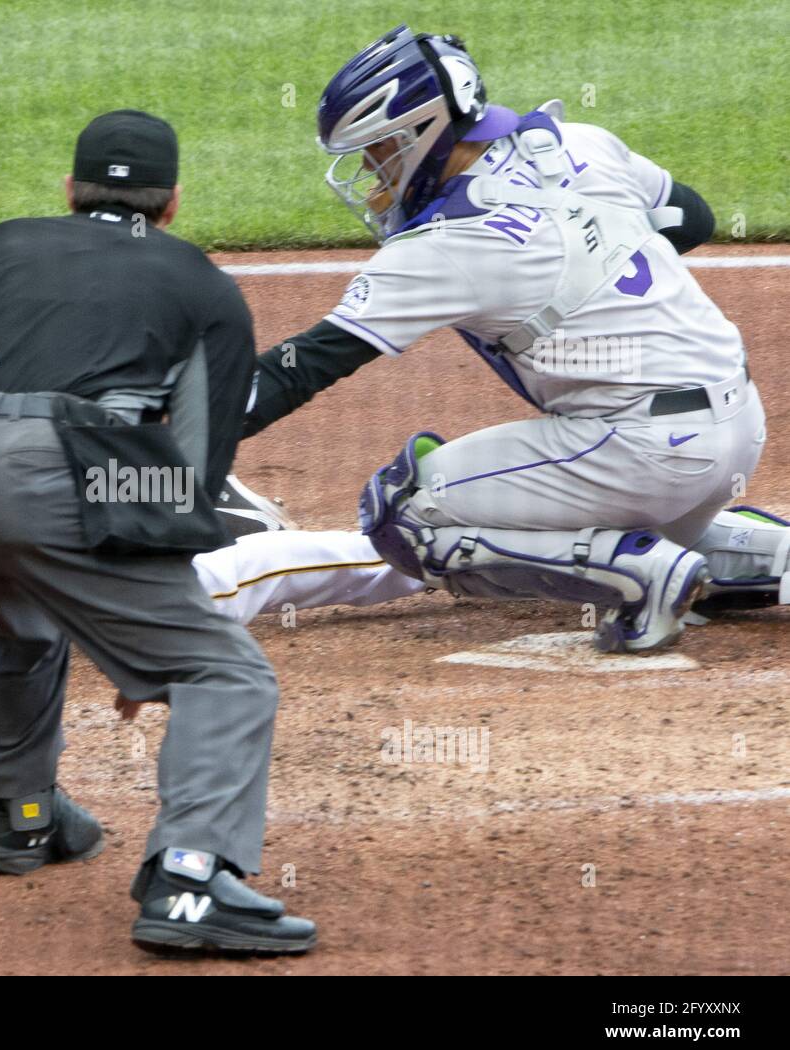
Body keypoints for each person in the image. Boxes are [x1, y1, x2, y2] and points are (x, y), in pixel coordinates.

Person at [0, 110, 316, 954]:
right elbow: (193, 474)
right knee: (223, 671)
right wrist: (153, 637)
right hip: (70, 474)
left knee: (10, 602)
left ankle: (22, 817)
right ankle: (192, 883)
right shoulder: (202, 284)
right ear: (171, 206)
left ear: (67, 191)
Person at [242, 25, 788, 652]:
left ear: (415, 137)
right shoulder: (577, 143)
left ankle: (639, 575)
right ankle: (760, 555)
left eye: (376, 155)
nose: (372, 180)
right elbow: (693, 217)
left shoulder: (442, 247)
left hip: (646, 454)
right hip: (738, 427)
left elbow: (298, 369)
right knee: (654, 503)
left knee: (404, 510)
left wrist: (178, 439)